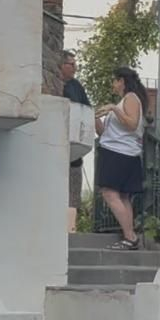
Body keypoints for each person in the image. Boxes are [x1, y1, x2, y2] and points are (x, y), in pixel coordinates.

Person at [93, 66, 149, 251]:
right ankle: (129, 236)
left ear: (122, 81)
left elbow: (132, 124)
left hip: (119, 153)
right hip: (120, 151)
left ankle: (130, 236)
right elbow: (104, 133)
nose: (113, 84)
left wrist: (113, 109)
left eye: (115, 80)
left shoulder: (131, 98)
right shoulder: (122, 102)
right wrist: (95, 117)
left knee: (109, 193)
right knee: (123, 196)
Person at [60, 51, 90, 224]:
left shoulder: (76, 86)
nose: (75, 67)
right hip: (56, 144)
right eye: (71, 64)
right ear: (61, 65)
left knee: (73, 192)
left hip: (74, 146)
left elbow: (86, 109)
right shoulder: (53, 84)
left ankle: (70, 228)